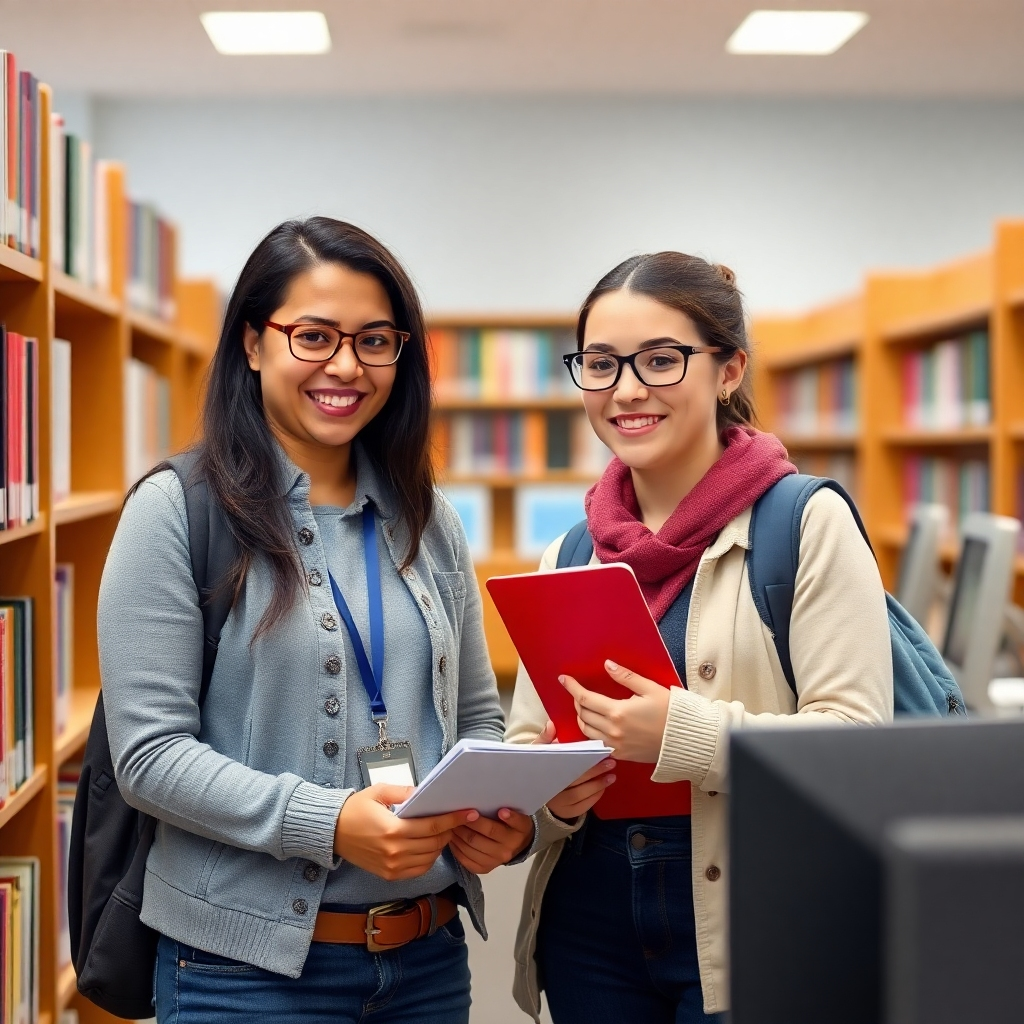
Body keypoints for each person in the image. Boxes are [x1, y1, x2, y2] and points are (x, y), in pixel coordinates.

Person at [98, 217, 534, 1023]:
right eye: (314, 336)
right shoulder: (175, 511)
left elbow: (476, 718)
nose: (346, 366)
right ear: (254, 344)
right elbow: (150, 756)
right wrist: (328, 822)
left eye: (375, 341)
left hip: (426, 963)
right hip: (241, 976)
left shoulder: (427, 518)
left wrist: (503, 823)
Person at [505, 252, 894, 1024]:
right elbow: (528, 741)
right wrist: (549, 791)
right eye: (602, 364)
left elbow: (859, 748)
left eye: (661, 360)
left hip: (753, 919)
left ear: (728, 369)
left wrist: (681, 734)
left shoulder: (805, 523)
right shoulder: (570, 550)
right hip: (591, 923)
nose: (626, 390)